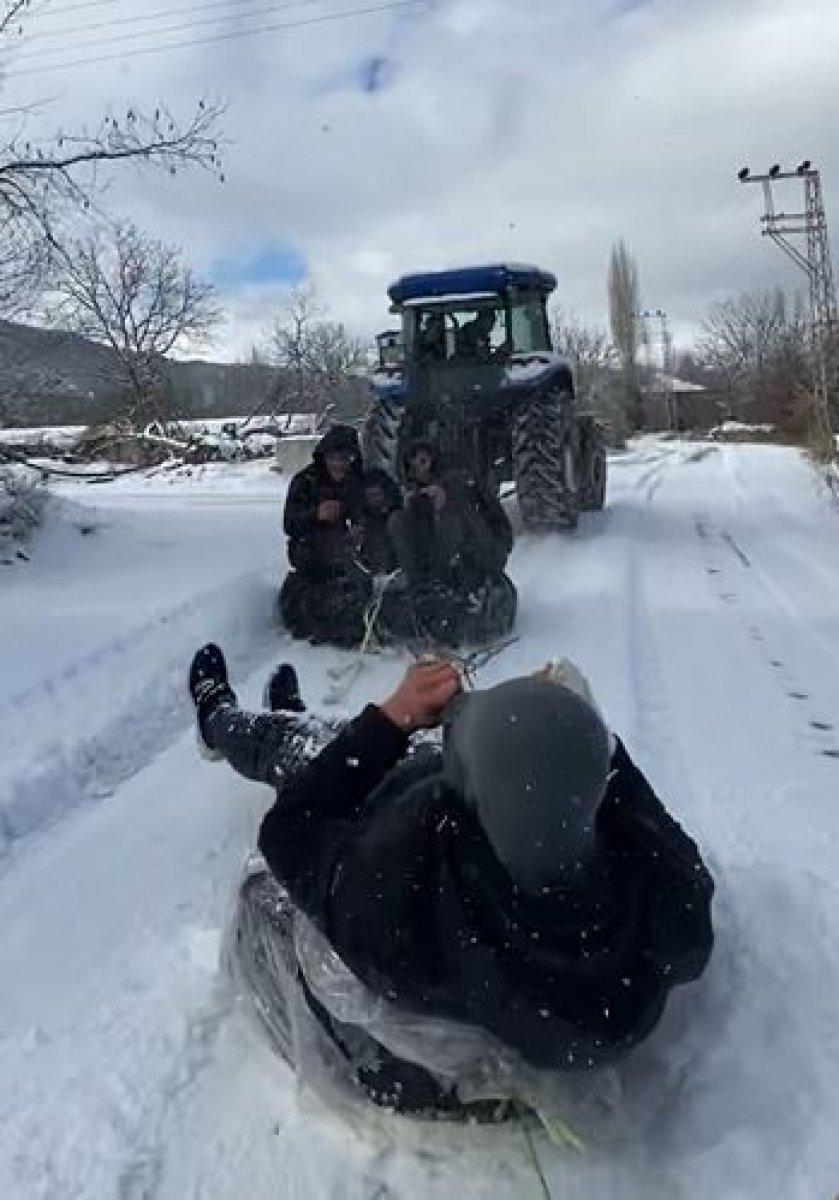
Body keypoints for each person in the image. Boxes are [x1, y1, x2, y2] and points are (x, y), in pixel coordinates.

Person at [188, 645, 714, 1120]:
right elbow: (660, 842)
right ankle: (295, 718)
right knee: (323, 740)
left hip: (388, 802)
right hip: (506, 818)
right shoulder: (662, 906)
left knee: (302, 751)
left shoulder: (402, 896)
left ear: (463, 807)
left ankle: (219, 721)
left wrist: (390, 723)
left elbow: (291, 829)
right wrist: (559, 734)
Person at [384, 440, 516, 646]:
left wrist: (446, 503)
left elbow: (492, 530)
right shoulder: (416, 498)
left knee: (451, 519)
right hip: (438, 570)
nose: (419, 469)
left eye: (423, 461)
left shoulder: (462, 485)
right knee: (398, 521)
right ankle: (425, 591)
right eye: (413, 465)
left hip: (479, 559)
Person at [279, 425, 370, 647]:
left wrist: (360, 528)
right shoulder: (305, 482)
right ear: (324, 457)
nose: (339, 464)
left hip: (351, 556)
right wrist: (315, 515)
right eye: (333, 458)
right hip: (313, 554)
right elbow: (290, 523)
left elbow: (373, 510)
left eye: (344, 459)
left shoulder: (359, 482)